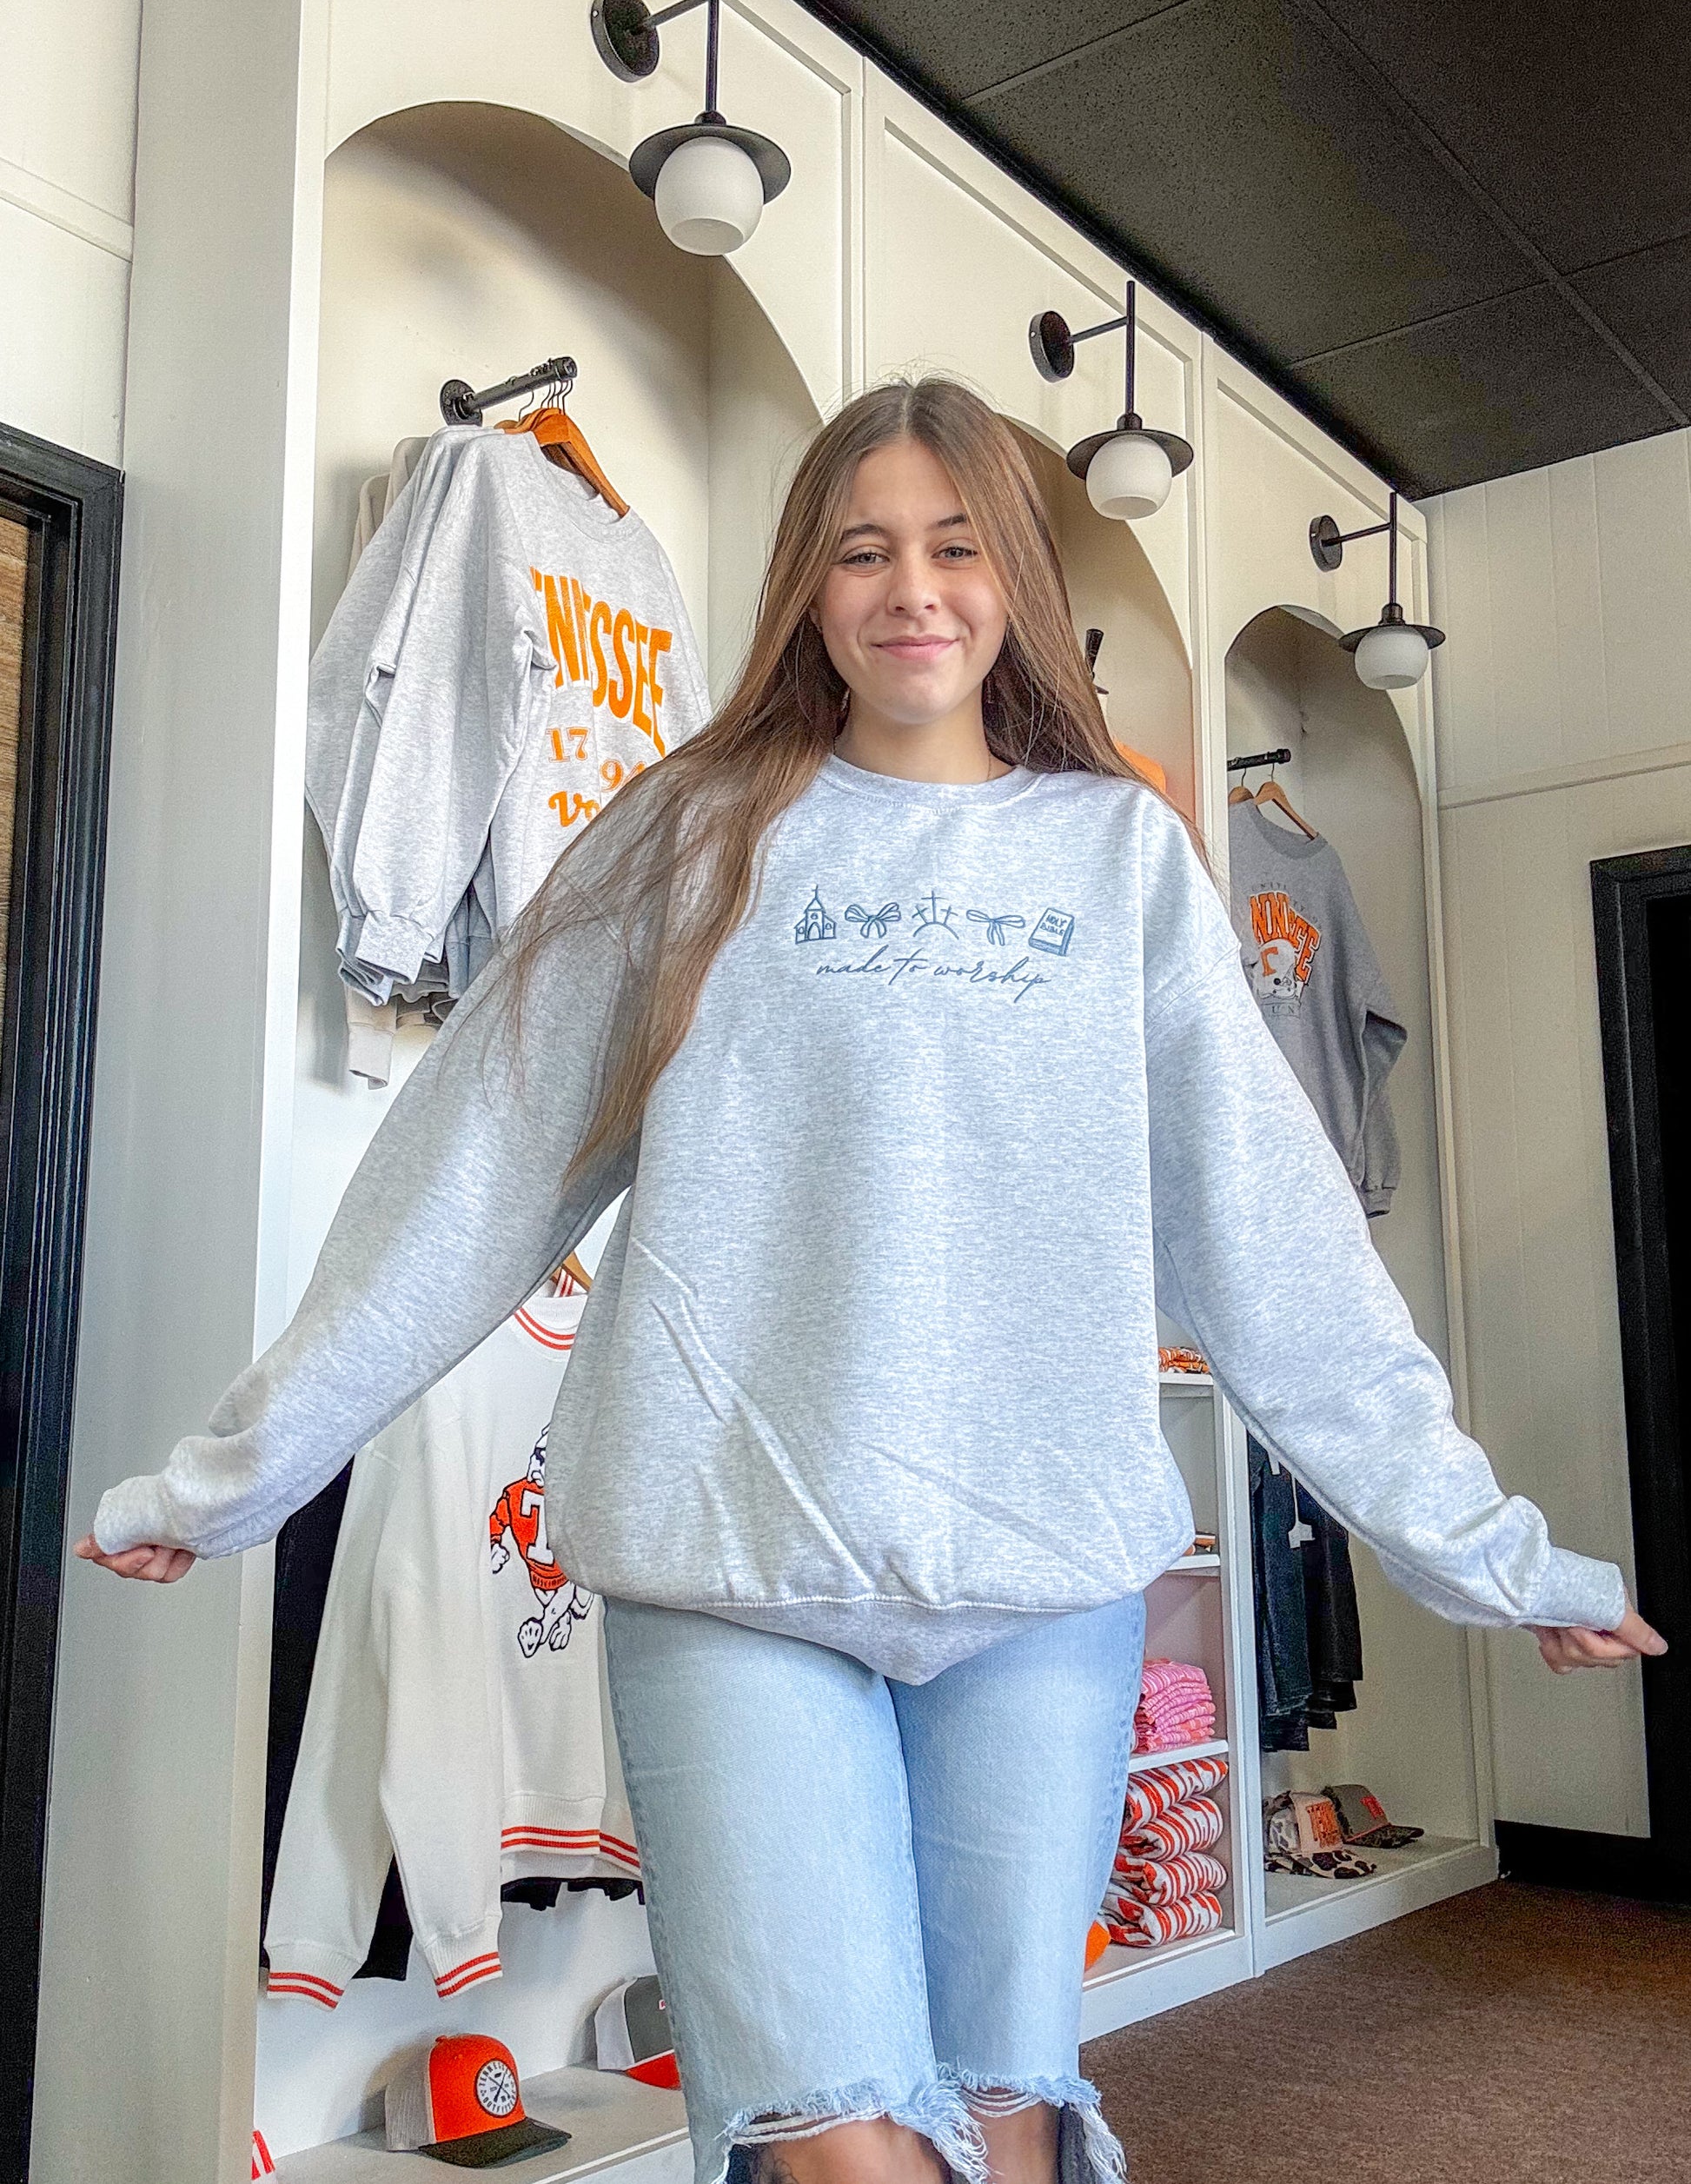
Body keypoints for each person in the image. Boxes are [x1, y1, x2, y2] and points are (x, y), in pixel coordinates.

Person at [79, 381, 1664, 2184]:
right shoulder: (686, 833)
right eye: (863, 551)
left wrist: (1483, 1549)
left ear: (1014, 580)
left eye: (955, 546)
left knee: (1004, 2114)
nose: (913, 589)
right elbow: (469, 1171)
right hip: (732, 1571)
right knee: (845, 2146)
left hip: (1037, 1582)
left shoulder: (1119, 854)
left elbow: (1273, 1241)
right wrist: (240, 1471)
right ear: (807, 589)